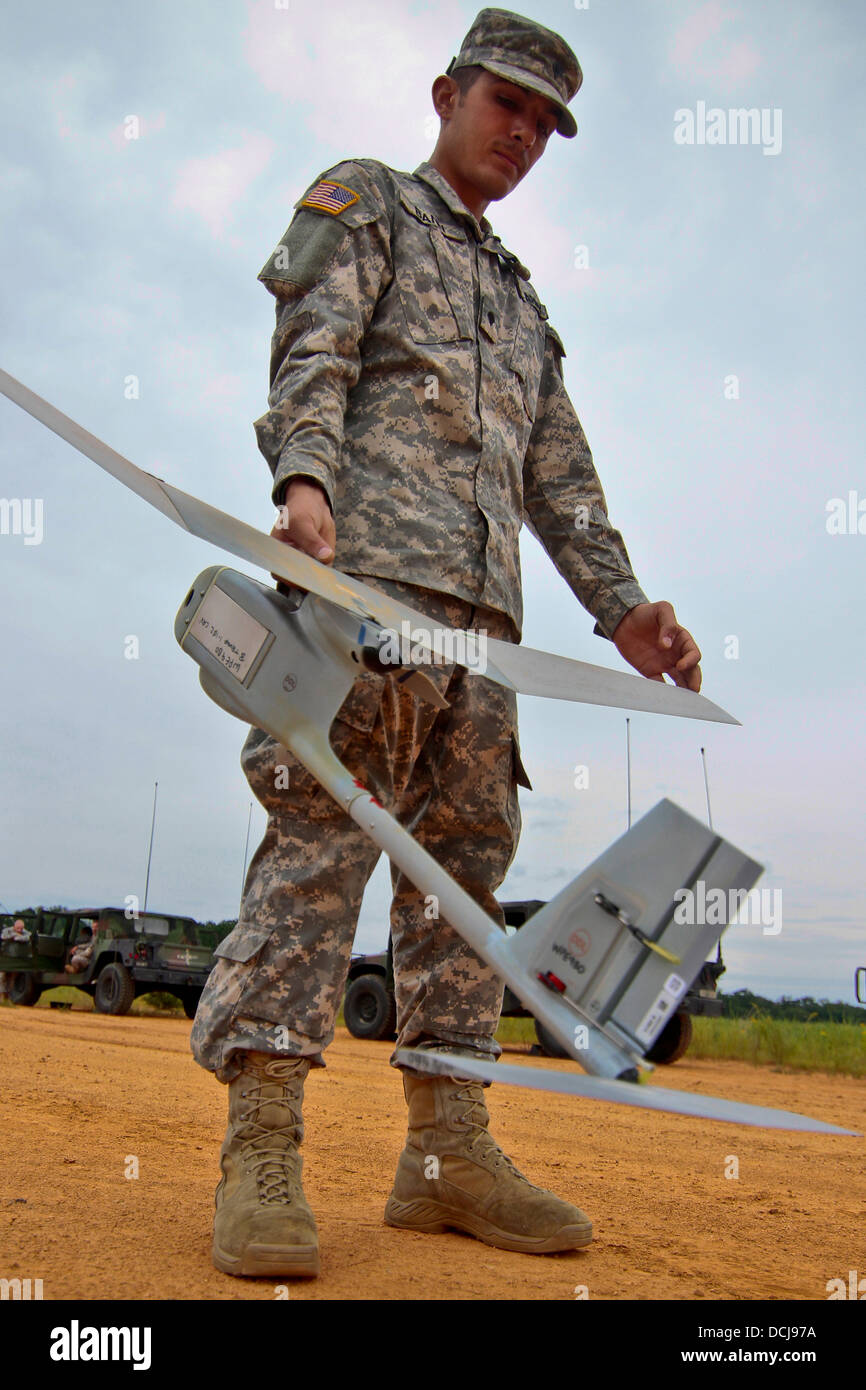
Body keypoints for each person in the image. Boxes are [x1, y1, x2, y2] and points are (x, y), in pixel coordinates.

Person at [190, 7, 703, 1279]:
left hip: (486, 643)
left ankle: (444, 1157)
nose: (520, 135)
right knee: (319, 841)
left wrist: (623, 606)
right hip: (363, 598)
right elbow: (312, 348)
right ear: (446, 94)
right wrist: (303, 478)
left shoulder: (520, 309)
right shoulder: (368, 201)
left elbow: (561, 480)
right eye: (504, 107)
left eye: (541, 125)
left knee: (464, 875)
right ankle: (262, 1147)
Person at [0, 918, 32, 999]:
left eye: (21, 928)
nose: (20, 930)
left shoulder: (25, 932)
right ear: (14, 927)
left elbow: (29, 937)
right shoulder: (7, 930)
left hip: (17, 960)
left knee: (12, 979)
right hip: (6, 958)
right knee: (2, 977)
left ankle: (7, 997)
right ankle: (1, 995)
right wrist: (14, 935)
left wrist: (17, 937)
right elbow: (3, 937)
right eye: (18, 928)